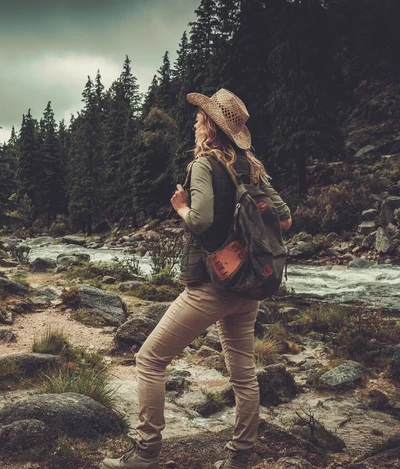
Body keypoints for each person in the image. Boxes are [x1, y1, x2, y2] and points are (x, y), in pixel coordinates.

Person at [100, 89, 292, 469]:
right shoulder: (251, 166)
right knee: (243, 375)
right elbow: (284, 219)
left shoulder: (204, 164)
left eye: (199, 117)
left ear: (208, 124)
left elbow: (201, 222)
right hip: (249, 284)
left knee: (150, 360)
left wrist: (182, 208)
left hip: (214, 285)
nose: (195, 121)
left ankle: (146, 454)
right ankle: (239, 458)